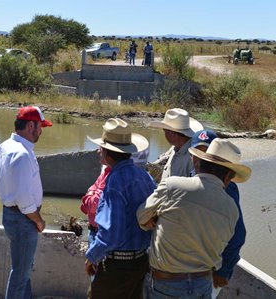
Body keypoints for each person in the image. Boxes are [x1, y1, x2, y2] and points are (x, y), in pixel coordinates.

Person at [137, 138, 251, 299]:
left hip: (165, 285)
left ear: (199, 163)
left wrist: (154, 219)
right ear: (229, 176)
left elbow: (141, 217)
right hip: (202, 285)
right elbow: (232, 240)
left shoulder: (172, 186)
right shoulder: (231, 208)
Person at [85, 118, 156, 299]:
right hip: (140, 261)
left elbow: (112, 234)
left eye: (102, 147)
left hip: (117, 265)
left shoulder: (115, 181)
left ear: (108, 153)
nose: (99, 150)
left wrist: (92, 256)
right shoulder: (145, 177)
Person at [0, 106, 52, 299]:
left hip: (11, 215)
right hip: (23, 219)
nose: (41, 131)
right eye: (40, 126)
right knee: (20, 275)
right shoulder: (22, 154)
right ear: (30, 126)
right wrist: (39, 220)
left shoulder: (5, 146)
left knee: (23, 269)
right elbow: (25, 201)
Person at [190, 130, 247, 299]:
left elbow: (238, 234)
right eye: (197, 152)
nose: (199, 158)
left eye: (205, 152)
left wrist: (224, 269)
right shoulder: (191, 178)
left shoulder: (226, 187)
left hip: (211, 268)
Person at [148, 108, 203, 182]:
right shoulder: (175, 147)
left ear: (172, 134)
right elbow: (162, 160)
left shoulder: (193, 158)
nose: (164, 134)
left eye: (165, 131)